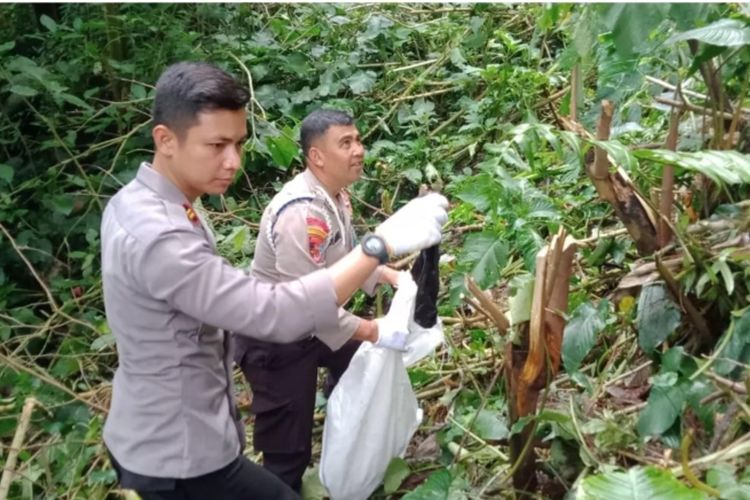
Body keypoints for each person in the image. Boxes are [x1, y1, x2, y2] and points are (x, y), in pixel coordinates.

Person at [99, 61, 449, 500]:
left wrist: (384, 273)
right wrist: (377, 248)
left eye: (238, 144)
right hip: (179, 456)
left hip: (166, 434)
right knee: (285, 460)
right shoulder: (162, 235)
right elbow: (275, 313)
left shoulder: (143, 203)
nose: (233, 161)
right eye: (217, 145)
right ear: (165, 140)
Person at [233, 109, 409, 491]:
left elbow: (341, 264)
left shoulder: (334, 198)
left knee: (361, 366)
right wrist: (373, 330)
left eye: (358, 140)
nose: (358, 150)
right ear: (317, 157)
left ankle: (343, 425)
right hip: (275, 339)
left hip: (310, 324)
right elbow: (309, 305)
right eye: (345, 143)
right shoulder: (301, 214)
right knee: (287, 454)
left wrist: (394, 277)